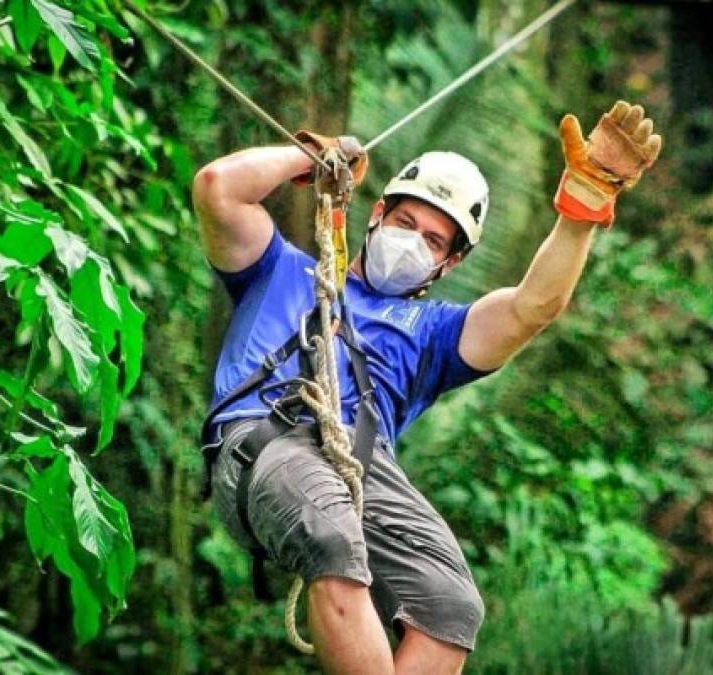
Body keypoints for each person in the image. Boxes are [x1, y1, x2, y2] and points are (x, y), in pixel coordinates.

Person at [193, 100, 661, 675]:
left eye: (435, 241)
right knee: (334, 542)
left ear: (449, 264)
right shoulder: (281, 270)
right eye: (406, 224)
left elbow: (533, 307)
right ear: (377, 215)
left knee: (450, 607)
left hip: (363, 473)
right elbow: (218, 188)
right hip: (267, 443)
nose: (413, 243)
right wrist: (316, 157)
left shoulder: (433, 334)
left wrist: (584, 206)